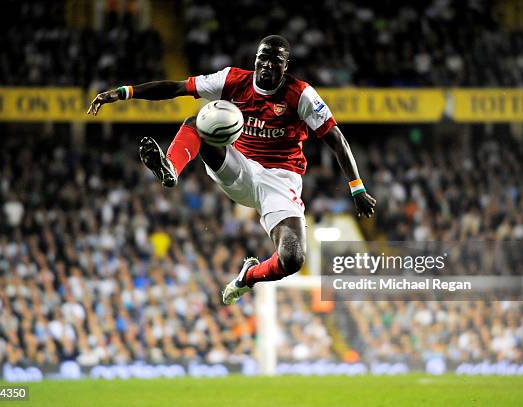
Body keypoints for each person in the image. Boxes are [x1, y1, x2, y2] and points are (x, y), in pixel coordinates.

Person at [87, 35, 376, 305]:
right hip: (238, 165)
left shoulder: (301, 95)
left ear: (286, 66)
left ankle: (246, 277)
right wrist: (124, 93)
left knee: (293, 258)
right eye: (263, 57)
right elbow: (176, 88)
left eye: (276, 60)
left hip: (280, 180)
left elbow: (336, 138)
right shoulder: (231, 80)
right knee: (199, 119)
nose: (268, 64)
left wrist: (357, 187)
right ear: (255, 59)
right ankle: (171, 168)